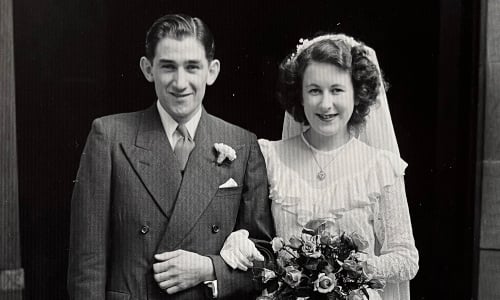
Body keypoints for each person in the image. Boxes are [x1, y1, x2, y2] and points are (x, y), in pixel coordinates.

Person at [67, 14, 274, 300]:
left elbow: (264, 259)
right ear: (148, 68)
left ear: (211, 71)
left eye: (192, 67)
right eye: (168, 67)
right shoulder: (110, 136)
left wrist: (209, 268)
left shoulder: (243, 144)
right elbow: (87, 262)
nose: (180, 82)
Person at [220, 33, 419, 299]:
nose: (326, 104)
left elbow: (406, 258)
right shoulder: (269, 156)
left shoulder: (381, 167)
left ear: (357, 94)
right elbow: (255, 240)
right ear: (299, 95)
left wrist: (352, 269)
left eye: (337, 90)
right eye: (314, 90)